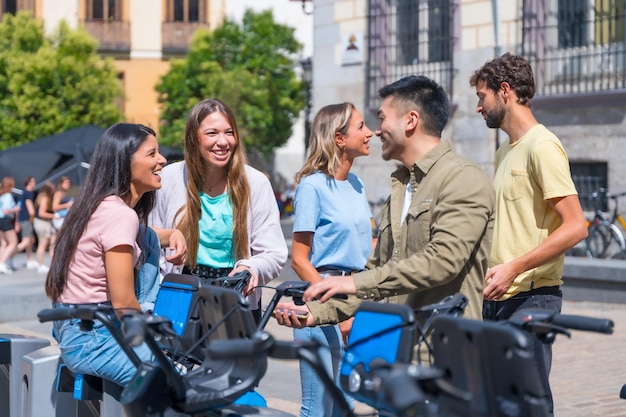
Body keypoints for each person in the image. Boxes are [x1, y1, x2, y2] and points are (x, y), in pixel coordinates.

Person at [275, 76, 495, 342]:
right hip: (397, 347)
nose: (375, 131)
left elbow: (442, 262)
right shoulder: (401, 188)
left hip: (445, 352)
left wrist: (352, 282)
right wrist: (316, 313)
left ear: (411, 121)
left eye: (381, 119)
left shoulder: (462, 178)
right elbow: (378, 271)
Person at [469, 52, 588, 415]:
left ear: (505, 91)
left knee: (528, 408)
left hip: (532, 301)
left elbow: (576, 226)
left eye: (482, 96)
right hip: (498, 299)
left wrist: (514, 267)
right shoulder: (506, 150)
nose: (478, 107)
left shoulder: (543, 146)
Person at [45, 123, 186, 387]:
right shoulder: (121, 215)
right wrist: (157, 347)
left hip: (74, 331)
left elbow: (134, 235)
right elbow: (123, 304)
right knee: (185, 387)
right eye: (152, 153)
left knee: (149, 237)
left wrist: (173, 234)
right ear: (125, 161)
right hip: (96, 339)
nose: (162, 160)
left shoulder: (96, 206)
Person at [150, 98, 288, 323]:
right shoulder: (169, 178)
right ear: (194, 137)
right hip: (178, 295)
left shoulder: (256, 183)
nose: (223, 142)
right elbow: (149, 238)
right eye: (212, 133)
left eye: (229, 132)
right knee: (174, 359)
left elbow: (274, 252)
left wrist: (250, 268)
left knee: (234, 359)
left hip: (235, 296)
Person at [291, 102, 373, 417]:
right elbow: (299, 259)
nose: (370, 133)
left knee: (345, 405)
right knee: (318, 406)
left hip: (356, 295)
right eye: (361, 126)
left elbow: (367, 242)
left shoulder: (357, 184)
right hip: (321, 301)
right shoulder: (312, 187)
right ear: (339, 138)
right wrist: (337, 310)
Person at [32, 182, 57, 274]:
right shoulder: (45, 198)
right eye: (52, 188)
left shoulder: (40, 197)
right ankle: (41, 264)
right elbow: (42, 213)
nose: (54, 190)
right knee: (43, 244)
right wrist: (54, 216)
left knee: (49, 243)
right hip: (43, 223)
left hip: (40, 223)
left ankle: (46, 264)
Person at [16, 176, 38, 269]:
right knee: (25, 242)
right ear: (29, 183)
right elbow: (31, 210)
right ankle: (5, 258)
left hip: (23, 219)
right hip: (27, 220)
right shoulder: (28, 193)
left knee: (31, 240)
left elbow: (18, 208)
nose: (35, 183)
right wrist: (33, 217)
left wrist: (17, 222)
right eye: (33, 181)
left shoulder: (23, 193)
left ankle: (30, 260)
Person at [0, 176, 20, 274]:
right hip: (6, 220)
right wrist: (15, 209)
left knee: (4, 244)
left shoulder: (1, 195)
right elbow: (6, 210)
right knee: (13, 242)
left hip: (0, 220)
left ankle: (2, 263)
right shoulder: (8, 196)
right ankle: (2, 263)